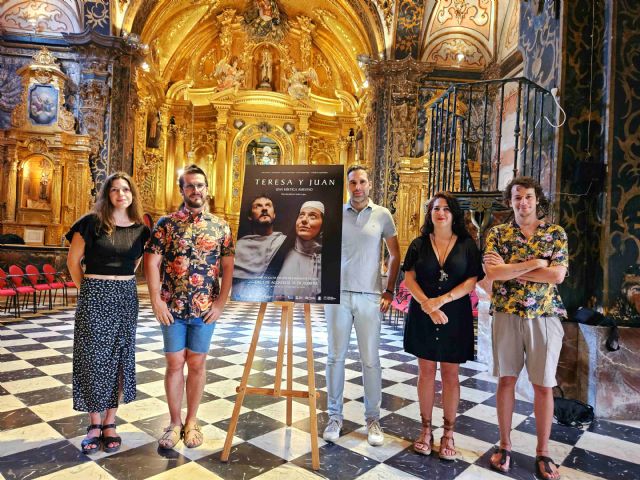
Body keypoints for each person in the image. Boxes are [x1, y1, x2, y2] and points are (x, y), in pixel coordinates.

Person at [144, 164, 234, 449]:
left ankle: (192, 421)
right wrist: (156, 300)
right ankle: (174, 422)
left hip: (204, 309)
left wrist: (221, 304)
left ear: (207, 189)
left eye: (200, 185)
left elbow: (229, 268)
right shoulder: (165, 224)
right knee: (174, 363)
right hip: (172, 307)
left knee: (197, 363)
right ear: (182, 190)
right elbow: (152, 262)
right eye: (190, 186)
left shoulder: (221, 227)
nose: (196, 190)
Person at [483, 176, 568, 480]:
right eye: (517, 197)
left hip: (544, 316)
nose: (523, 202)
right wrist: (535, 264)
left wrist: (514, 270)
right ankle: (505, 444)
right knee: (506, 380)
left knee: (543, 385)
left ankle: (543, 452)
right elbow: (493, 272)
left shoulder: (555, 233)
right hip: (506, 313)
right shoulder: (498, 233)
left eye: (528, 196)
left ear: (537, 199)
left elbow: (557, 276)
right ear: (510, 201)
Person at [66, 172, 150, 454]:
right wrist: (89, 289)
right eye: (114, 189)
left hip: (125, 296)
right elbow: (73, 261)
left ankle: (110, 422)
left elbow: (135, 262)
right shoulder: (89, 224)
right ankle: (93, 423)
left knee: (119, 356)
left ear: (132, 195)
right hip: (94, 295)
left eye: (125, 189)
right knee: (92, 358)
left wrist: (116, 284)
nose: (120, 194)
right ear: (106, 194)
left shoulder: (141, 229)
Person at [323, 165, 400, 446]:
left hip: (369, 295)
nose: (357, 187)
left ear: (370, 185)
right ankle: (334, 416)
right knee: (335, 357)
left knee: (371, 360)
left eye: (362, 182)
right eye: (353, 182)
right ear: (347, 186)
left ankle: (373, 419)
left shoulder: (382, 215)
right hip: (337, 295)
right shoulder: (334, 214)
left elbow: (395, 255)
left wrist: (389, 289)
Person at [402, 192, 483, 460]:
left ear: (454, 214)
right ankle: (425, 429)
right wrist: (427, 304)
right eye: (436, 208)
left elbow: (472, 280)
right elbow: (409, 277)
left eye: (446, 209)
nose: (441, 213)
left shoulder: (468, 245)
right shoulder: (418, 244)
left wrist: (441, 301)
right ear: (430, 213)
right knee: (425, 371)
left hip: (455, 314)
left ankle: (449, 432)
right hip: (423, 313)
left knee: (450, 373)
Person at [232, 194, 286, 300]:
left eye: (268, 205)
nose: (264, 208)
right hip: (243, 301)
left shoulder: (284, 242)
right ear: (250, 216)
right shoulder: (238, 247)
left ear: (274, 214)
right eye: (258, 206)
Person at [273, 200, 324, 302]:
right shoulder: (282, 253)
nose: (304, 220)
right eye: (301, 216)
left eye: (312, 216)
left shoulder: (328, 260)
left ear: (323, 224)